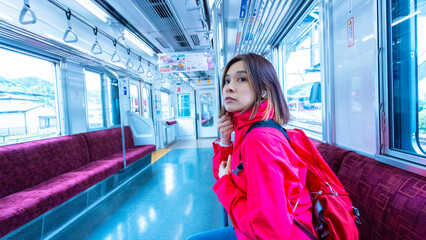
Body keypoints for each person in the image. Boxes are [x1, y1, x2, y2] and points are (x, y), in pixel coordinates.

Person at [187, 53, 315, 240]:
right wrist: (225, 141)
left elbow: (270, 233)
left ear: (263, 89)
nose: (229, 88)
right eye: (227, 80)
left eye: (241, 79)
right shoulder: (246, 129)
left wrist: (225, 186)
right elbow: (224, 172)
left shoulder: (259, 140)